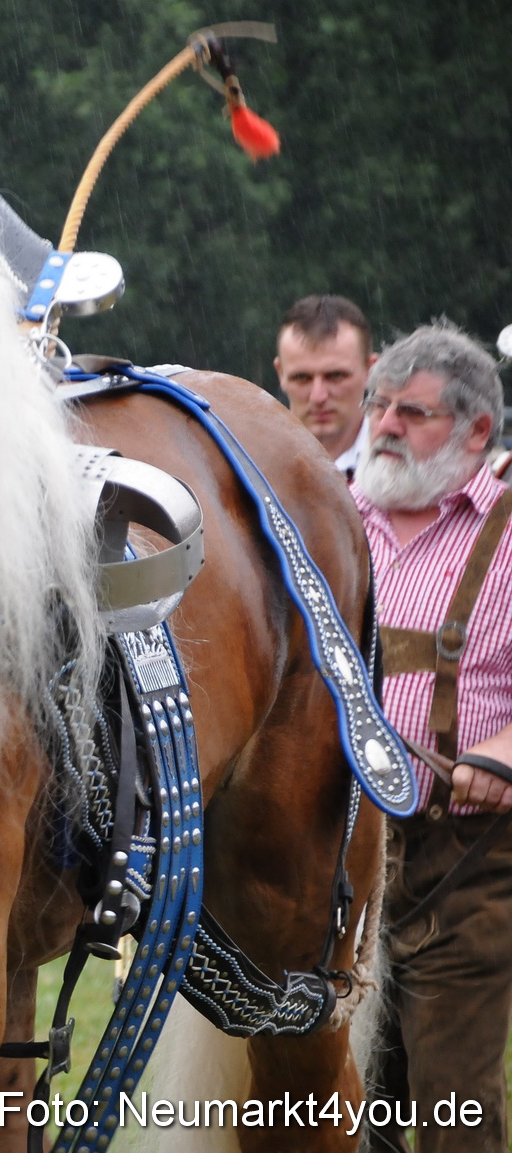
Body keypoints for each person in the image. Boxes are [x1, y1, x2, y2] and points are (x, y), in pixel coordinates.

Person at [353, 322, 512, 1152]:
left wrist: (502, 754)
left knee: (452, 1105)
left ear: (475, 430)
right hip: (339, 855)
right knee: (346, 1106)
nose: (381, 425)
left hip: (463, 858)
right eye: (377, 404)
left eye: (410, 413)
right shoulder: (332, 515)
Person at [275, 294, 379, 477]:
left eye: (335, 376)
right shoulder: (249, 470)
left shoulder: (412, 466)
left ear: (370, 370)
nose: (318, 396)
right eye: (302, 377)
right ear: (280, 373)